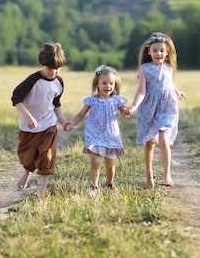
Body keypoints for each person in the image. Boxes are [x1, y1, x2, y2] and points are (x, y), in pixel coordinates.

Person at [125, 32, 187, 190]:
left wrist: (177, 91)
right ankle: (149, 176)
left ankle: (167, 174)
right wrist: (133, 107)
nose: (158, 53)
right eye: (155, 50)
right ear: (149, 51)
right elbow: (141, 91)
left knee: (164, 140)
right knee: (150, 143)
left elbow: (169, 83)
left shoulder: (168, 67)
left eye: (161, 50)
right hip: (149, 109)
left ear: (167, 52)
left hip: (167, 107)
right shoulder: (145, 68)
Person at [11, 42, 70, 198]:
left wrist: (63, 121)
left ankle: (41, 191)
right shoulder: (32, 80)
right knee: (28, 155)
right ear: (42, 64)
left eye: (57, 69)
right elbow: (16, 98)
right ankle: (27, 173)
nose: (53, 72)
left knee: (47, 154)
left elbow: (56, 103)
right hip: (29, 125)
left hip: (49, 124)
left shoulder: (59, 82)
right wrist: (29, 117)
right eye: (50, 68)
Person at [66, 65, 128, 196]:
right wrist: (72, 123)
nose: (108, 86)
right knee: (95, 161)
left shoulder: (117, 100)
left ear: (115, 85)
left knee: (110, 165)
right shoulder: (92, 101)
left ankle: (110, 183)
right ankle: (94, 186)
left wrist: (127, 111)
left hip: (111, 135)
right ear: (97, 84)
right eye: (104, 83)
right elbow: (80, 115)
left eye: (111, 83)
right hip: (94, 134)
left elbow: (124, 112)